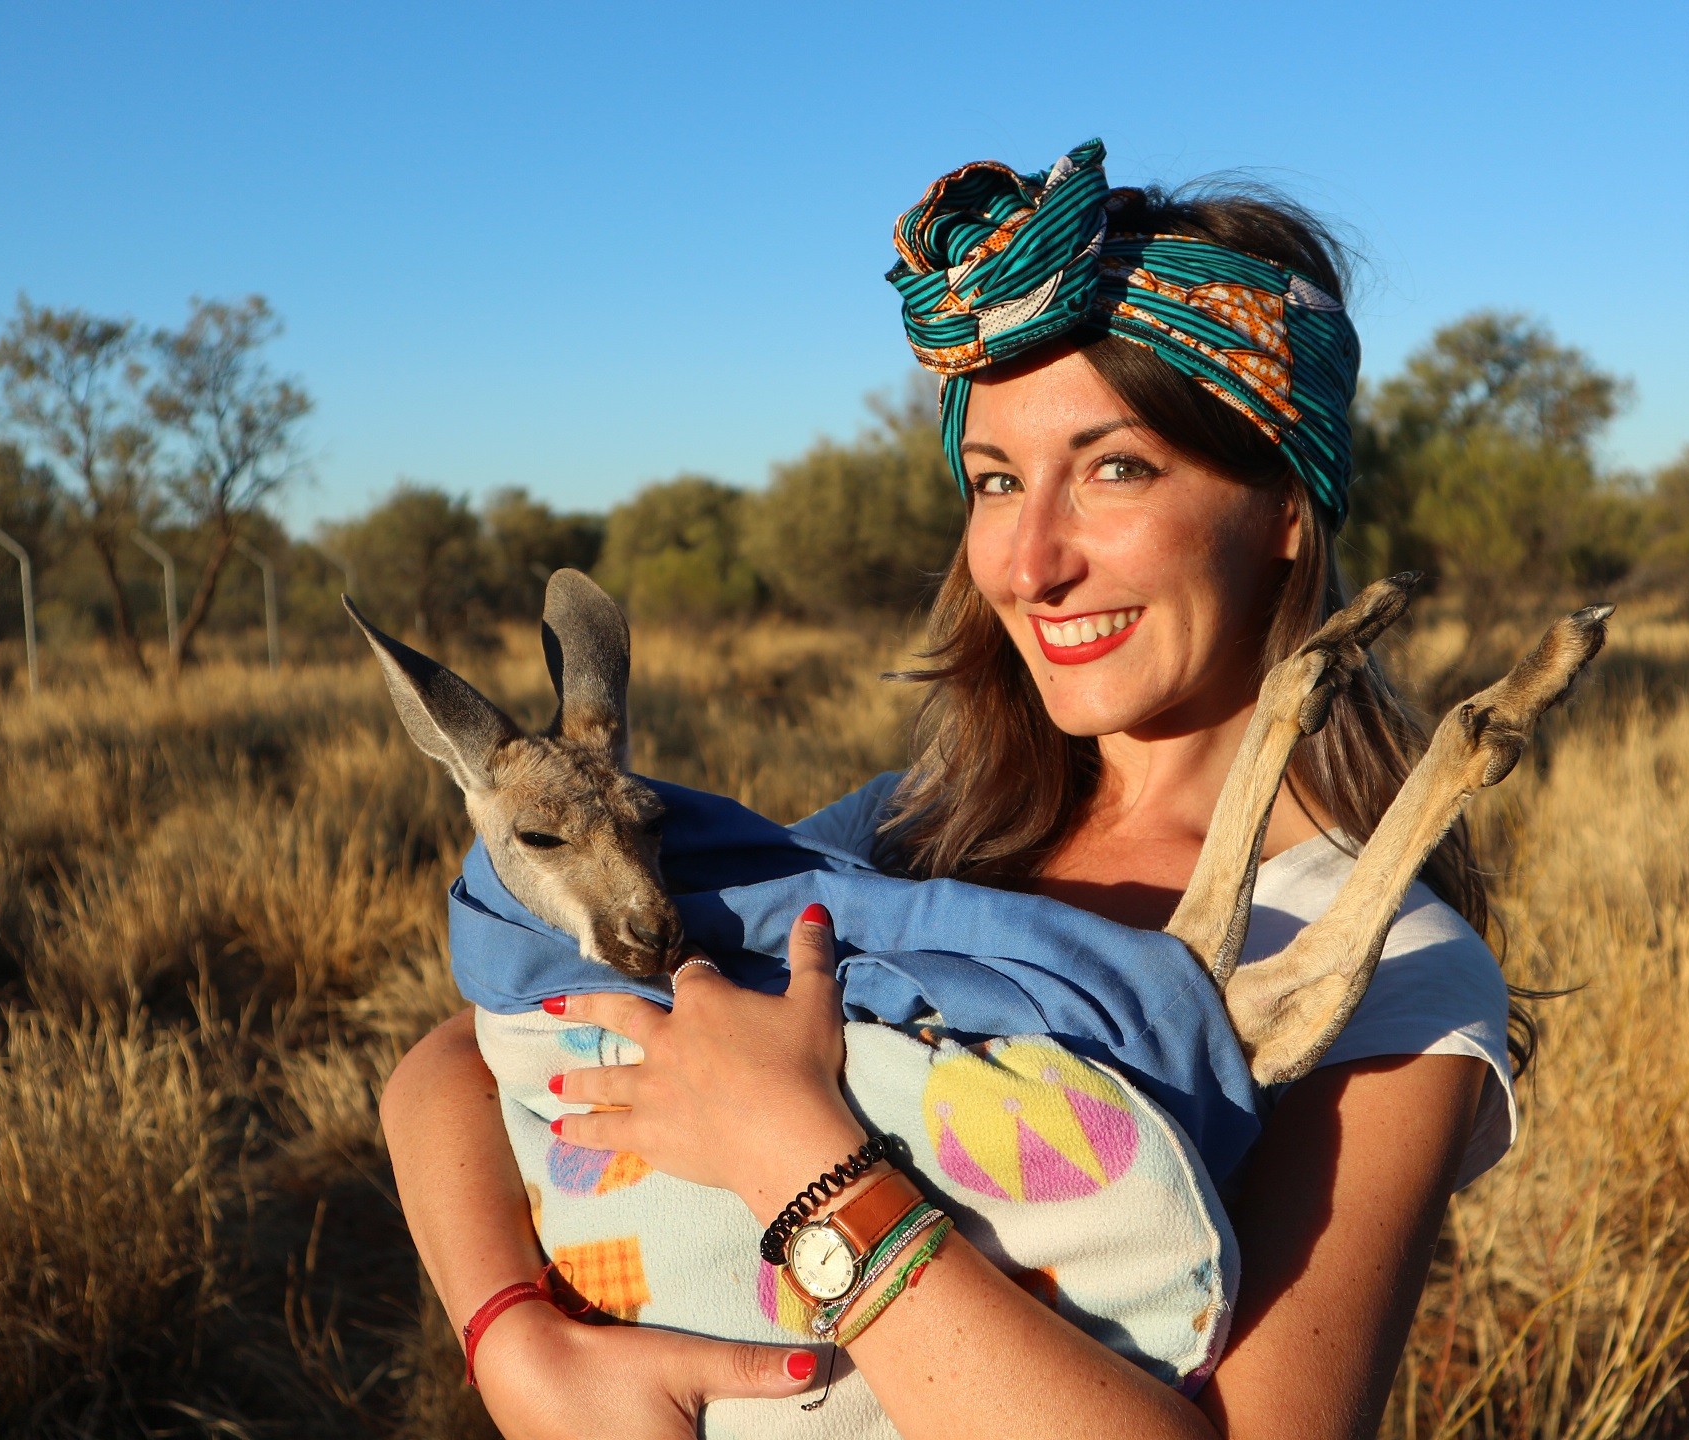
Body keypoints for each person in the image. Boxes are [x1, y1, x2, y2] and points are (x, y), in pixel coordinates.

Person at [380, 140, 1521, 1440]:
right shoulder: (911, 833)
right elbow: (454, 1065)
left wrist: (800, 1163)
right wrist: (511, 1343)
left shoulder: (1378, 965)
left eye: (1115, 468)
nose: (1029, 562)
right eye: (994, 481)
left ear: (1287, 507)